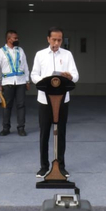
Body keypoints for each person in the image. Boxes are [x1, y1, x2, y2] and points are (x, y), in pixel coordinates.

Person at [31, 27, 79, 178]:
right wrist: (44, 82)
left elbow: (76, 75)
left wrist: (69, 76)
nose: (57, 42)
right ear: (48, 39)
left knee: (61, 133)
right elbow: (34, 74)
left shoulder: (67, 54)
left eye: (59, 40)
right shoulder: (40, 54)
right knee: (44, 133)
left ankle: (61, 165)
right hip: (45, 100)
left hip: (62, 99)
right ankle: (44, 166)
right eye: (54, 39)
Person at [0, 30, 30, 137]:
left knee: (21, 105)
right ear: (8, 39)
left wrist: (27, 80)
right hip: (7, 83)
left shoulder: (20, 50)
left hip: (20, 82)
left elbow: (25, 66)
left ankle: (21, 128)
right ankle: (6, 128)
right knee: (7, 106)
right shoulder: (0, 51)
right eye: (15, 38)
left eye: (17, 38)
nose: (17, 40)